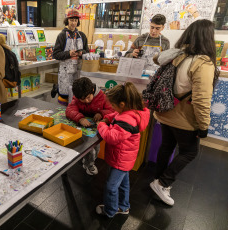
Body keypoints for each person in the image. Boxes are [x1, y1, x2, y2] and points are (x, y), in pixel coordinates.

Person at [150, 19, 219, 206]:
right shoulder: (203, 63)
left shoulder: (178, 56)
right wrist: (203, 126)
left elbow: (158, 60)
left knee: (167, 146)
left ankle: (158, 180)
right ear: (208, 38)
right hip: (184, 118)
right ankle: (163, 183)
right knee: (189, 152)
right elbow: (202, 100)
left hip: (165, 112)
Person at [95, 82, 150, 218]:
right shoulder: (132, 112)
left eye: (113, 105)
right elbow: (116, 115)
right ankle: (124, 207)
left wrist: (101, 125)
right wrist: (108, 117)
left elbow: (111, 136)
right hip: (125, 158)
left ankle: (110, 210)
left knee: (111, 187)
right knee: (124, 184)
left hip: (120, 159)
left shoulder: (127, 120)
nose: (112, 108)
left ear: (122, 104)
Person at [66, 77, 115, 175]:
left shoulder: (102, 96)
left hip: (96, 129)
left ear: (92, 90)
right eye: (83, 100)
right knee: (83, 147)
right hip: (82, 127)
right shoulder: (77, 96)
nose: (87, 101)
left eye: (88, 97)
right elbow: (69, 110)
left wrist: (101, 113)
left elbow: (112, 111)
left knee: (94, 149)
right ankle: (87, 162)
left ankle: (90, 164)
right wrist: (80, 118)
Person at [52, 9, 89, 105]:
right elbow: (55, 54)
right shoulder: (62, 36)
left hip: (78, 72)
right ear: (67, 20)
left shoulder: (82, 36)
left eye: (76, 20)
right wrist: (69, 54)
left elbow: (87, 51)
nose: (73, 23)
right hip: (65, 73)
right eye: (71, 20)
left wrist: (82, 53)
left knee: (77, 95)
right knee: (64, 95)